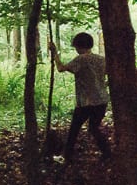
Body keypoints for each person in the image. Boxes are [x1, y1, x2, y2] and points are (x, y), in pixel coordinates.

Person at [48, 32, 112, 165]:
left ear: (79, 46)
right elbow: (109, 76)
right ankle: (107, 153)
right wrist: (102, 86)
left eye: (76, 46)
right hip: (101, 101)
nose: (76, 49)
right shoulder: (102, 59)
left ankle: (66, 156)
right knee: (93, 128)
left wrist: (54, 53)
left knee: (74, 128)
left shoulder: (81, 59)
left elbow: (60, 68)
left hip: (86, 102)